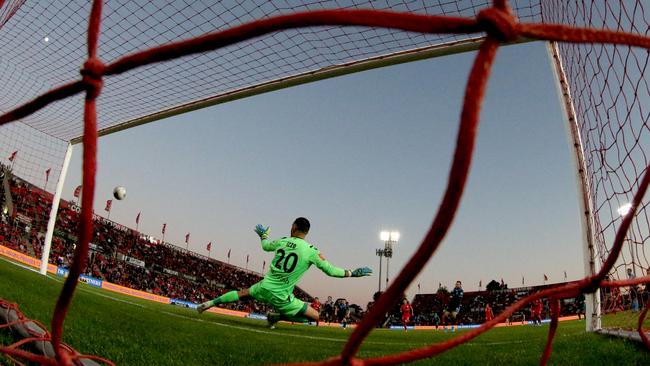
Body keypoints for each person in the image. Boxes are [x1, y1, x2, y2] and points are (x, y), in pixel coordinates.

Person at [197, 217, 372, 329]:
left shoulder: (283, 241)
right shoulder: (311, 250)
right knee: (315, 316)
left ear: (294, 227)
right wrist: (353, 273)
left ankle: (209, 303)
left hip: (264, 286)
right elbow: (331, 271)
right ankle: (277, 316)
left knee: (242, 293)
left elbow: (265, 247)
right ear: (306, 232)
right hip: (282, 296)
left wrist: (263, 236)